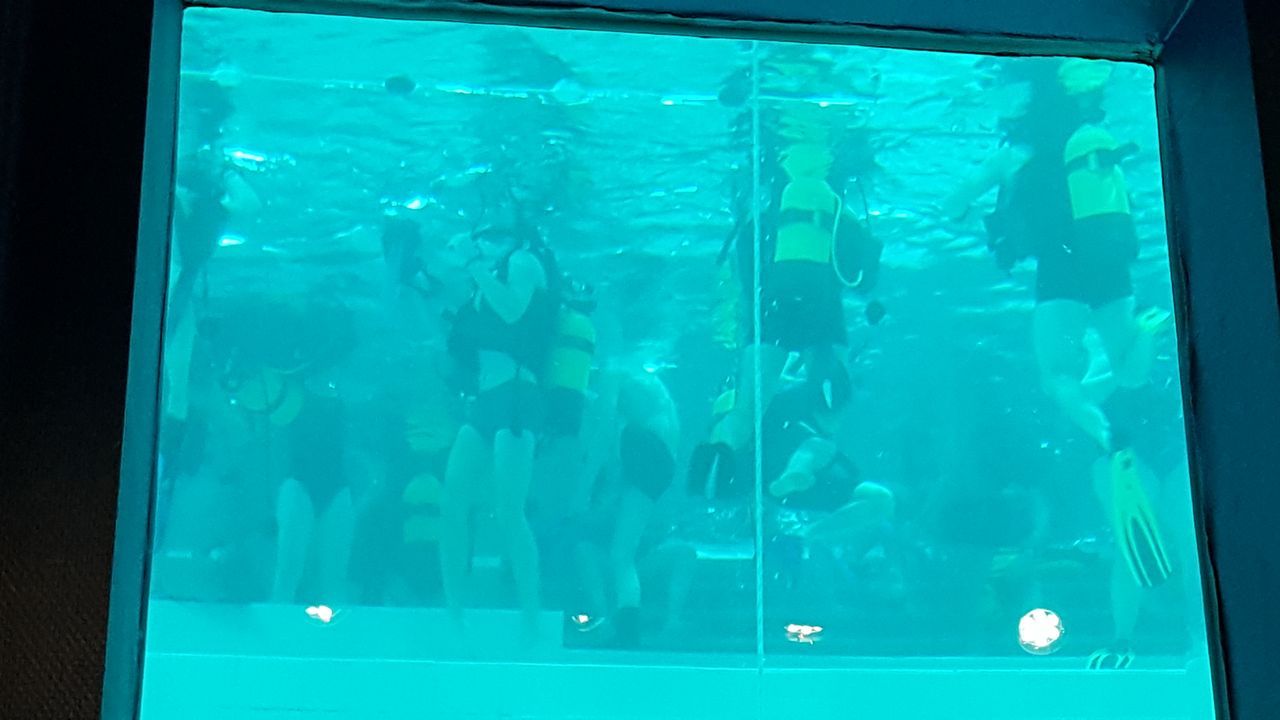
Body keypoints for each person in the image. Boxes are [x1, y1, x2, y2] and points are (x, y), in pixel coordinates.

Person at [440, 220, 559, 645]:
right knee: (452, 502)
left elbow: (513, 310)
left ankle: (532, 616)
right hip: (486, 400)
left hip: (516, 396)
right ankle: (454, 611)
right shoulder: (487, 277)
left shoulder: (524, 262)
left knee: (508, 510)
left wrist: (473, 264)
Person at [562, 370, 679, 648]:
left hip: (646, 452)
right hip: (661, 459)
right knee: (622, 551)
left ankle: (627, 630)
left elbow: (603, 439)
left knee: (621, 554)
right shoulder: (646, 387)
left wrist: (581, 494)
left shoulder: (613, 375)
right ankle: (626, 626)